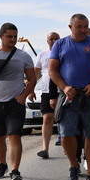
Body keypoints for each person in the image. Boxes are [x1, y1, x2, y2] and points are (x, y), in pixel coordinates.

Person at [0, 23, 37, 180]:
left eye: (15, 36)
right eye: (9, 36)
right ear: (1, 36)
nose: (13, 40)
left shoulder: (23, 56)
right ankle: (2, 164)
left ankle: (15, 170)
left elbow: (32, 78)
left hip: (15, 103)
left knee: (14, 135)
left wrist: (24, 96)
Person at [49, 14, 90, 180]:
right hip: (68, 97)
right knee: (66, 134)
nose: (82, 30)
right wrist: (64, 87)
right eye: (79, 26)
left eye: (85, 26)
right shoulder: (60, 44)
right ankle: (73, 165)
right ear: (70, 27)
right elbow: (52, 70)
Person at [34, 31, 60, 159]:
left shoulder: (63, 53)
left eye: (56, 39)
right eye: (51, 39)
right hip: (46, 92)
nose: (54, 41)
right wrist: (31, 90)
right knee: (47, 118)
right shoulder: (42, 55)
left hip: (62, 91)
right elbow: (35, 73)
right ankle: (45, 148)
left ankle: (69, 145)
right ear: (47, 41)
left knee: (64, 119)